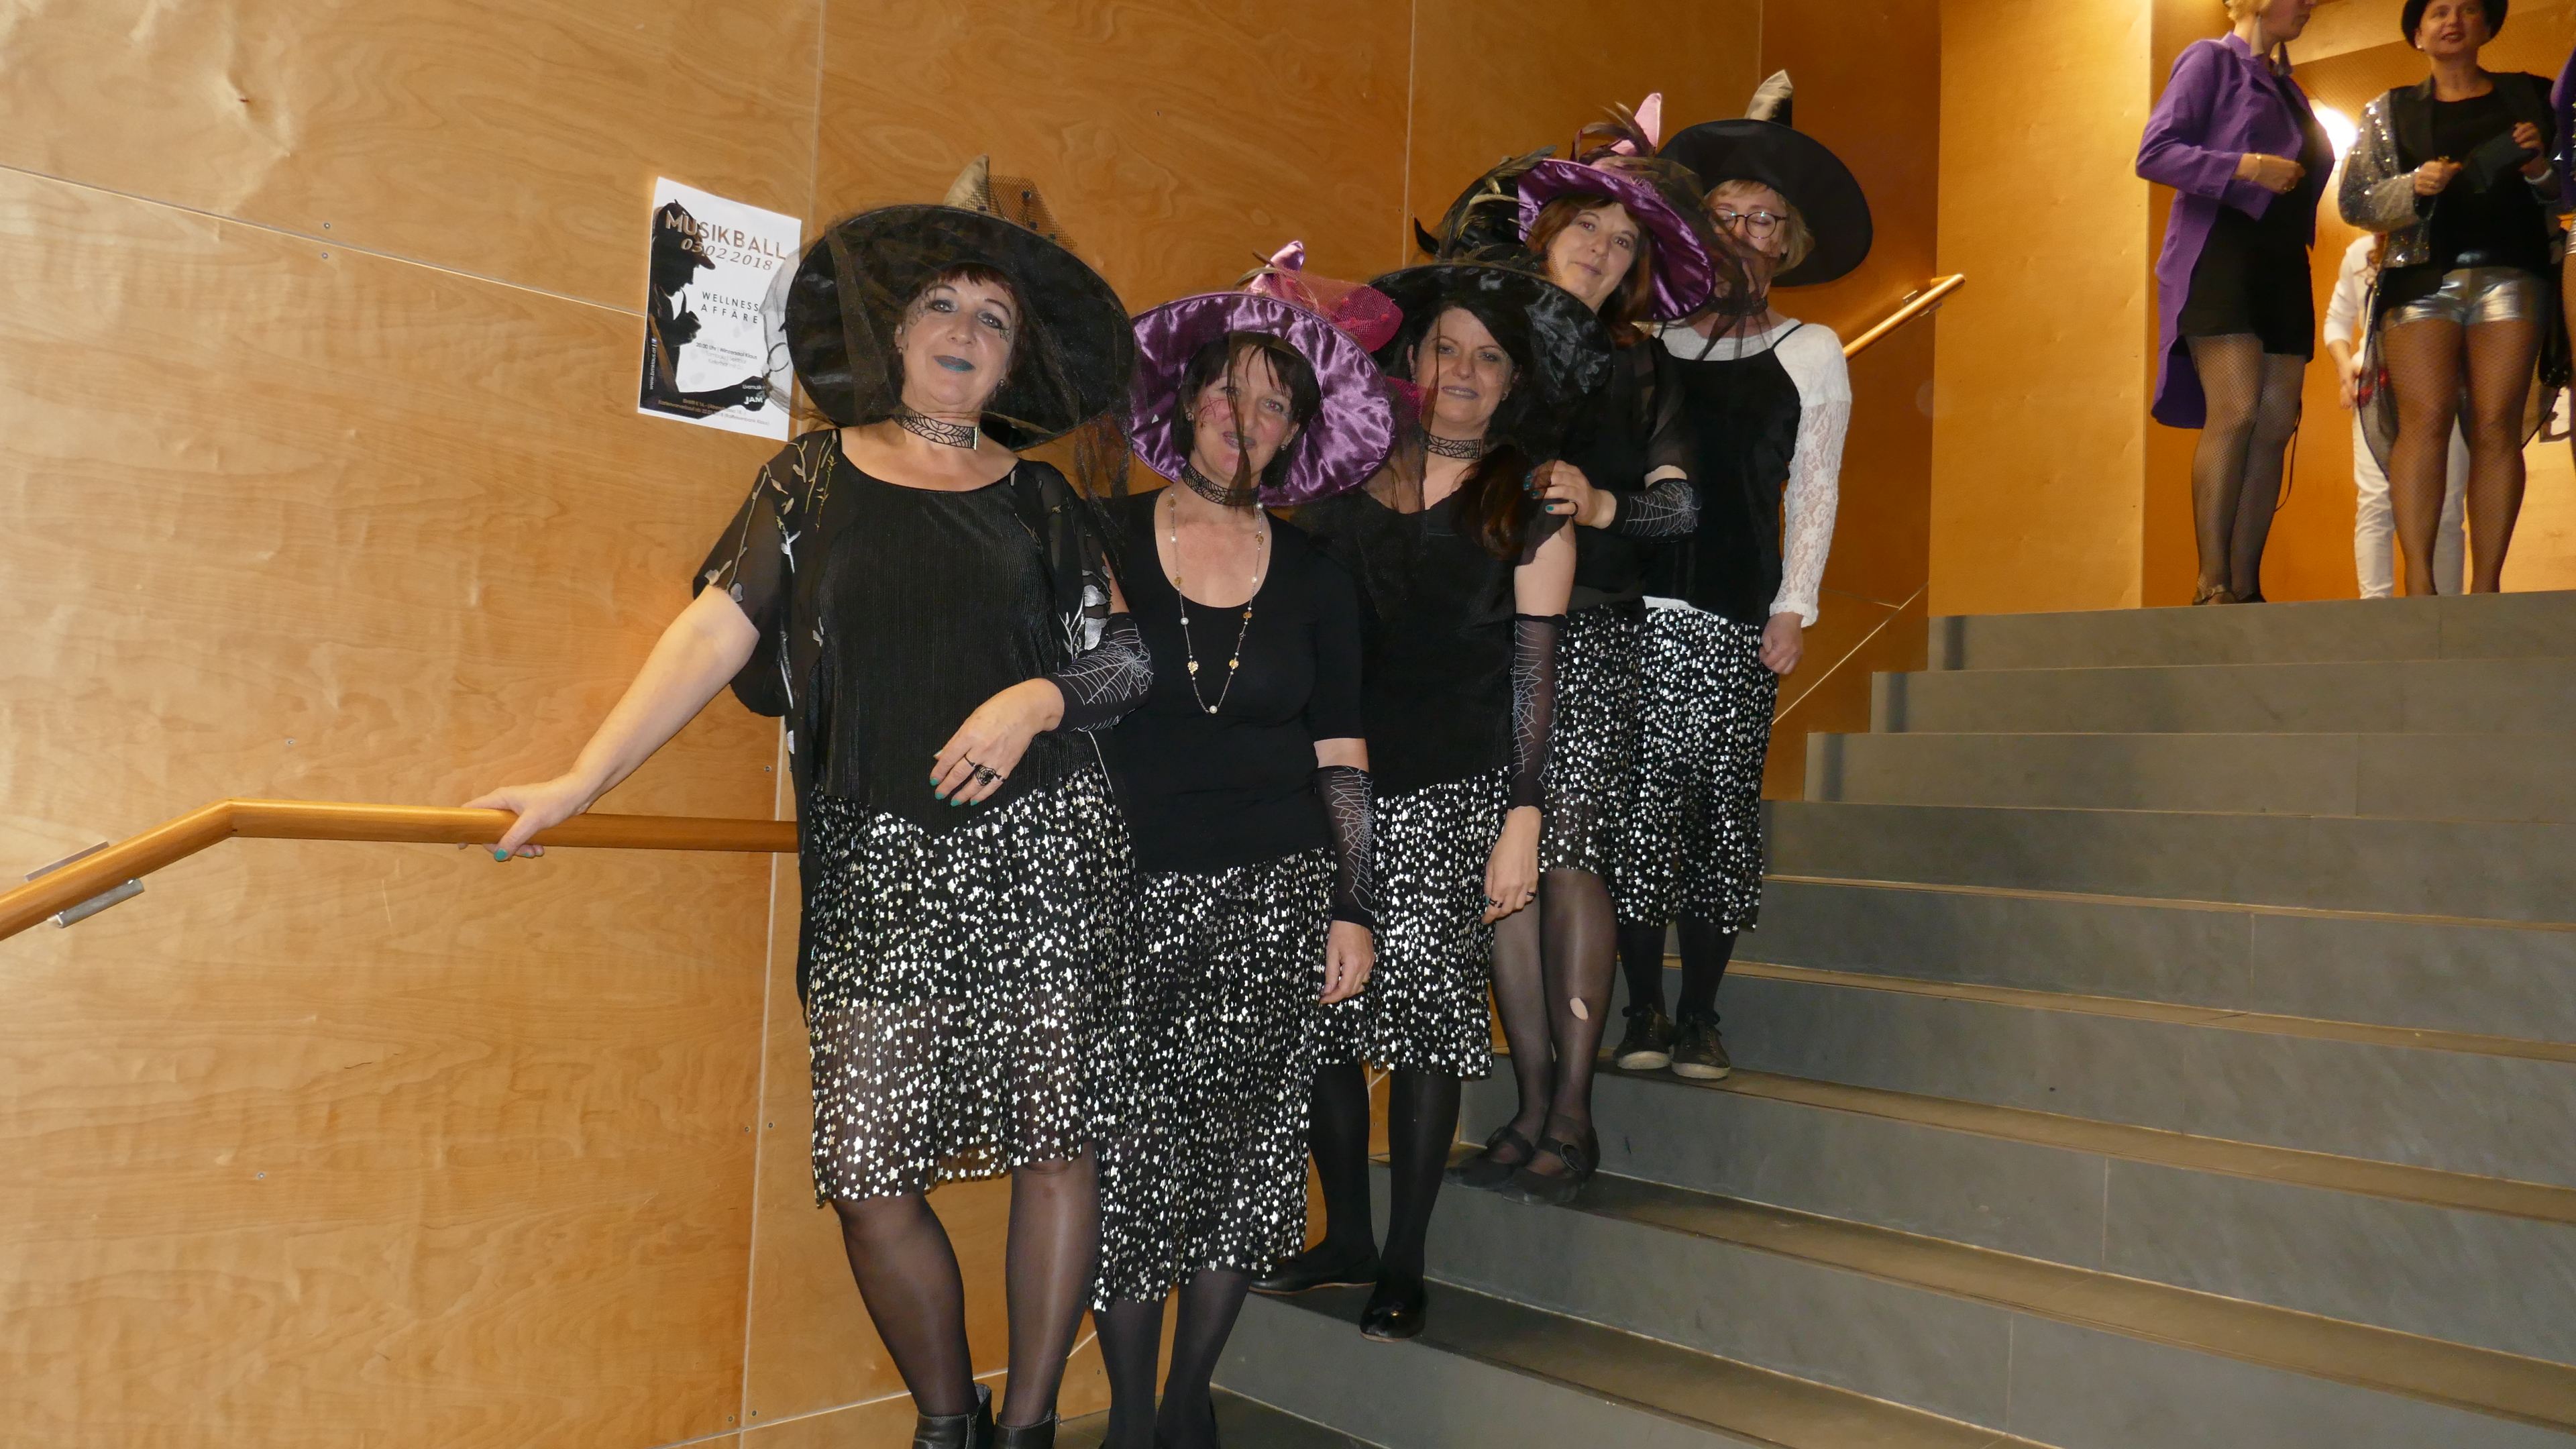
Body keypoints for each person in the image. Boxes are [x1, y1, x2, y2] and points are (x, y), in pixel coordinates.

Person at [466, 197, 1148, 1449]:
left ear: (1013, 364)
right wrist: (580, 780)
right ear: (896, 332)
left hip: (1047, 858)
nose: (964, 330)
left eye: (994, 319)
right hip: (873, 867)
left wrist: (1037, 698)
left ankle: (1031, 1429)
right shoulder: (809, 476)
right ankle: (950, 1420)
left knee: (1061, 1147)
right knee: (869, 1172)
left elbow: (1126, 663)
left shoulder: (1043, 498)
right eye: (942, 305)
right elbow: (714, 631)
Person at [1253, 262, 1605, 1342]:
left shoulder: (1533, 504)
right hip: (1329, 788)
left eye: (1488, 358)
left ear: (1511, 383)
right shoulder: (1344, 479)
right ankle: (1348, 1238)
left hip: (1451, 794)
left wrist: (1523, 816)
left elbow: (1535, 679)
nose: (1463, 371)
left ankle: (1404, 1259)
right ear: (1412, 361)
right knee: (1320, 1020)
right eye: (1446, 349)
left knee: (1421, 1026)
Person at [1088, 251, 1396, 1449]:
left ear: (1295, 436)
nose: (1245, 417)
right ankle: (1129, 1416)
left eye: (1274, 404)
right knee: (1124, 1163)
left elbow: (1343, 752)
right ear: (1186, 399)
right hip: (1124, 896)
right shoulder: (1101, 536)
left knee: (1246, 1162)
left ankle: (1182, 1407)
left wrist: (1354, 904)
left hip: (1277, 895)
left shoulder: (1318, 575)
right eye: (1228, 390)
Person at [1415, 95, 1731, 1208]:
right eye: (1588, 224)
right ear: (1546, 229)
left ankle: (1574, 1115)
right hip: (1476, 638)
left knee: (1568, 855)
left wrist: (1604, 505)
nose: (1602, 247)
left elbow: (1682, 512)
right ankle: (1530, 1097)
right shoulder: (1489, 342)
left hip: (1592, 637)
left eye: (1626, 240)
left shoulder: (1645, 368)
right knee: (1497, 872)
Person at [1610, 72, 1866, 1083]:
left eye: (1767, 220)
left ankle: (1700, 1015)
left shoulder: (1814, 349)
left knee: (1718, 814)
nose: (1747, 234)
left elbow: (1817, 487)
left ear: (1788, 241)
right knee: (1638, 814)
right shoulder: (1648, 343)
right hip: (1635, 606)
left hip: (1734, 610)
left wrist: (1794, 607)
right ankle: (1640, 1009)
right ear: (1699, 229)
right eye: (1728, 215)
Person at [2341, 0, 2560, 595]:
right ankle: (2420, 584)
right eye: (2438, 11)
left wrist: (2540, 169)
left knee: (2495, 425)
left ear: (2488, 25)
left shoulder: (2533, 96)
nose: (2453, 20)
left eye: (2467, 9)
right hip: (2419, 282)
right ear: (2417, 33)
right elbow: (2355, 202)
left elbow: (2565, 189)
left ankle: (2486, 587)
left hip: (2513, 273)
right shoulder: (2389, 109)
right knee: (2425, 420)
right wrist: (2413, 186)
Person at [2137, 0, 2332, 605]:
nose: (2310, 5)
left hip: (2282, 264)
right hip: (2222, 252)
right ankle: (2212, 584)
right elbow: (2154, 151)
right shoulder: (2210, 60)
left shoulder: (2289, 88)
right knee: (2238, 411)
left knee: (2274, 424)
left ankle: (2246, 590)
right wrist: (2245, 167)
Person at [2323, 232, 2471, 595]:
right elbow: (2336, 321)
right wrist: (2345, 370)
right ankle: (2376, 608)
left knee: (2448, 506)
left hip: (2443, 383)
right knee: (2375, 501)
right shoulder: (2360, 252)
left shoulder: (2449, 242)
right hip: (2377, 386)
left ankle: (2447, 610)